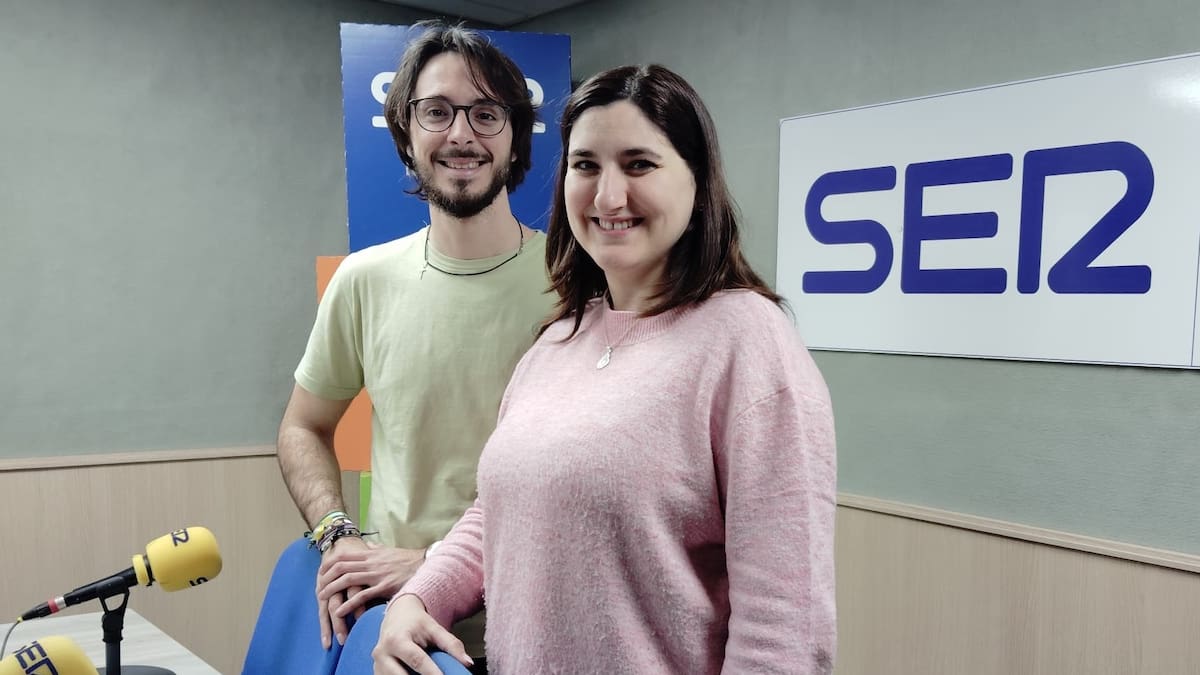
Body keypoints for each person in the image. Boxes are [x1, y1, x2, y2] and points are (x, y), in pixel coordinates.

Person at [372, 64, 837, 675]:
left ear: (696, 182)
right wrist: (418, 596)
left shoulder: (747, 340)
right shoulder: (558, 341)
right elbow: (501, 512)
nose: (607, 196)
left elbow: (784, 630)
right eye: (586, 165)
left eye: (639, 164)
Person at [275, 20, 553, 671]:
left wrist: (432, 561)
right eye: (437, 112)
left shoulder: (577, 284)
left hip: (535, 631)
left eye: (486, 113)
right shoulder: (363, 281)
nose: (461, 133)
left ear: (516, 141)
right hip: (397, 634)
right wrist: (335, 532)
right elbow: (302, 427)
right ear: (407, 136)